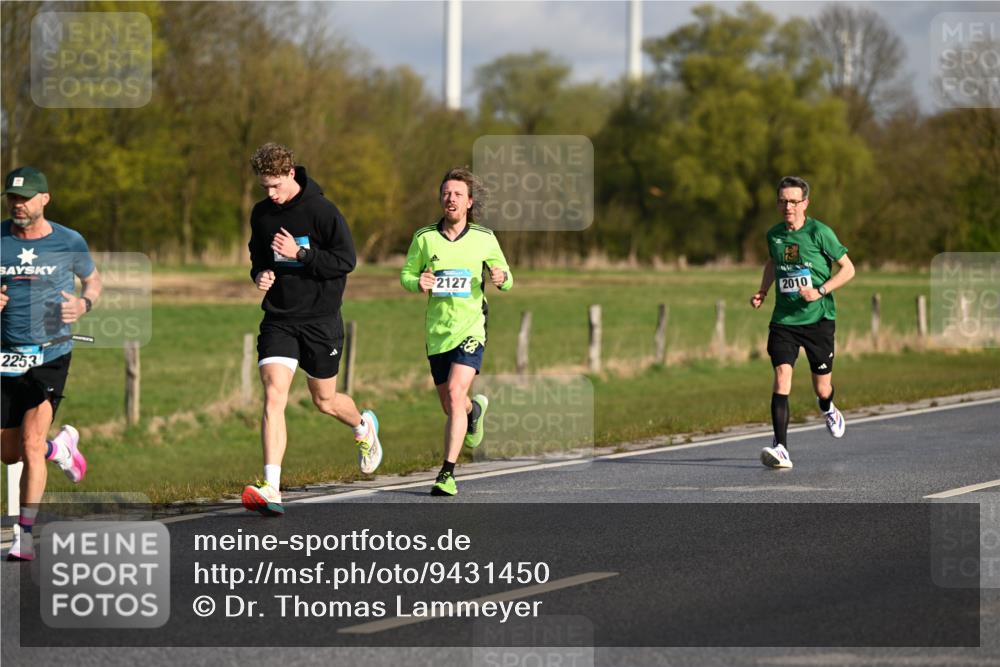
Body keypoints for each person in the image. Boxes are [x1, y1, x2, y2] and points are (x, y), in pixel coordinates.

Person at [243, 143, 382, 516]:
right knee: (274, 395)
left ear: (291, 174)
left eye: (276, 185)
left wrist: (301, 254)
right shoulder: (261, 214)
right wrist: (261, 273)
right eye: (265, 187)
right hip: (279, 318)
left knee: (324, 400)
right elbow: (258, 254)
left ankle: (363, 427)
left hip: (321, 319)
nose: (271, 194)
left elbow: (346, 260)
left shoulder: (322, 211)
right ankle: (271, 487)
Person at [1, 166, 102, 560]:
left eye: (25, 198)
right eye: (12, 198)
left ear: (44, 199)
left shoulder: (68, 240)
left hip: (50, 353)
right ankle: (59, 449)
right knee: (8, 452)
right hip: (5, 351)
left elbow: (93, 280)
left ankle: (24, 536)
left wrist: (84, 303)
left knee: (29, 444)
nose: (18, 205)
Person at [401, 167, 513, 496]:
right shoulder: (424, 238)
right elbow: (407, 274)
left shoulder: (484, 238)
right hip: (438, 331)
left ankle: (447, 473)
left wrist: (501, 278)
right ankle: (473, 411)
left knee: (454, 391)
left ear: (469, 202)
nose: (451, 199)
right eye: (447, 193)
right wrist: (417, 281)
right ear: (440, 199)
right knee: (452, 405)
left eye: (458, 194)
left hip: (471, 328)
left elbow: (507, 276)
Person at [750, 176, 855, 469]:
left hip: (818, 319)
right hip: (784, 320)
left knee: (822, 388)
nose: (788, 207)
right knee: (782, 376)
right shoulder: (774, 235)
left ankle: (827, 407)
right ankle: (781, 448)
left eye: (794, 201)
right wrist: (763, 290)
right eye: (783, 201)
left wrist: (820, 291)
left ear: (805, 203)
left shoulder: (820, 233)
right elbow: (773, 262)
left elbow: (848, 269)